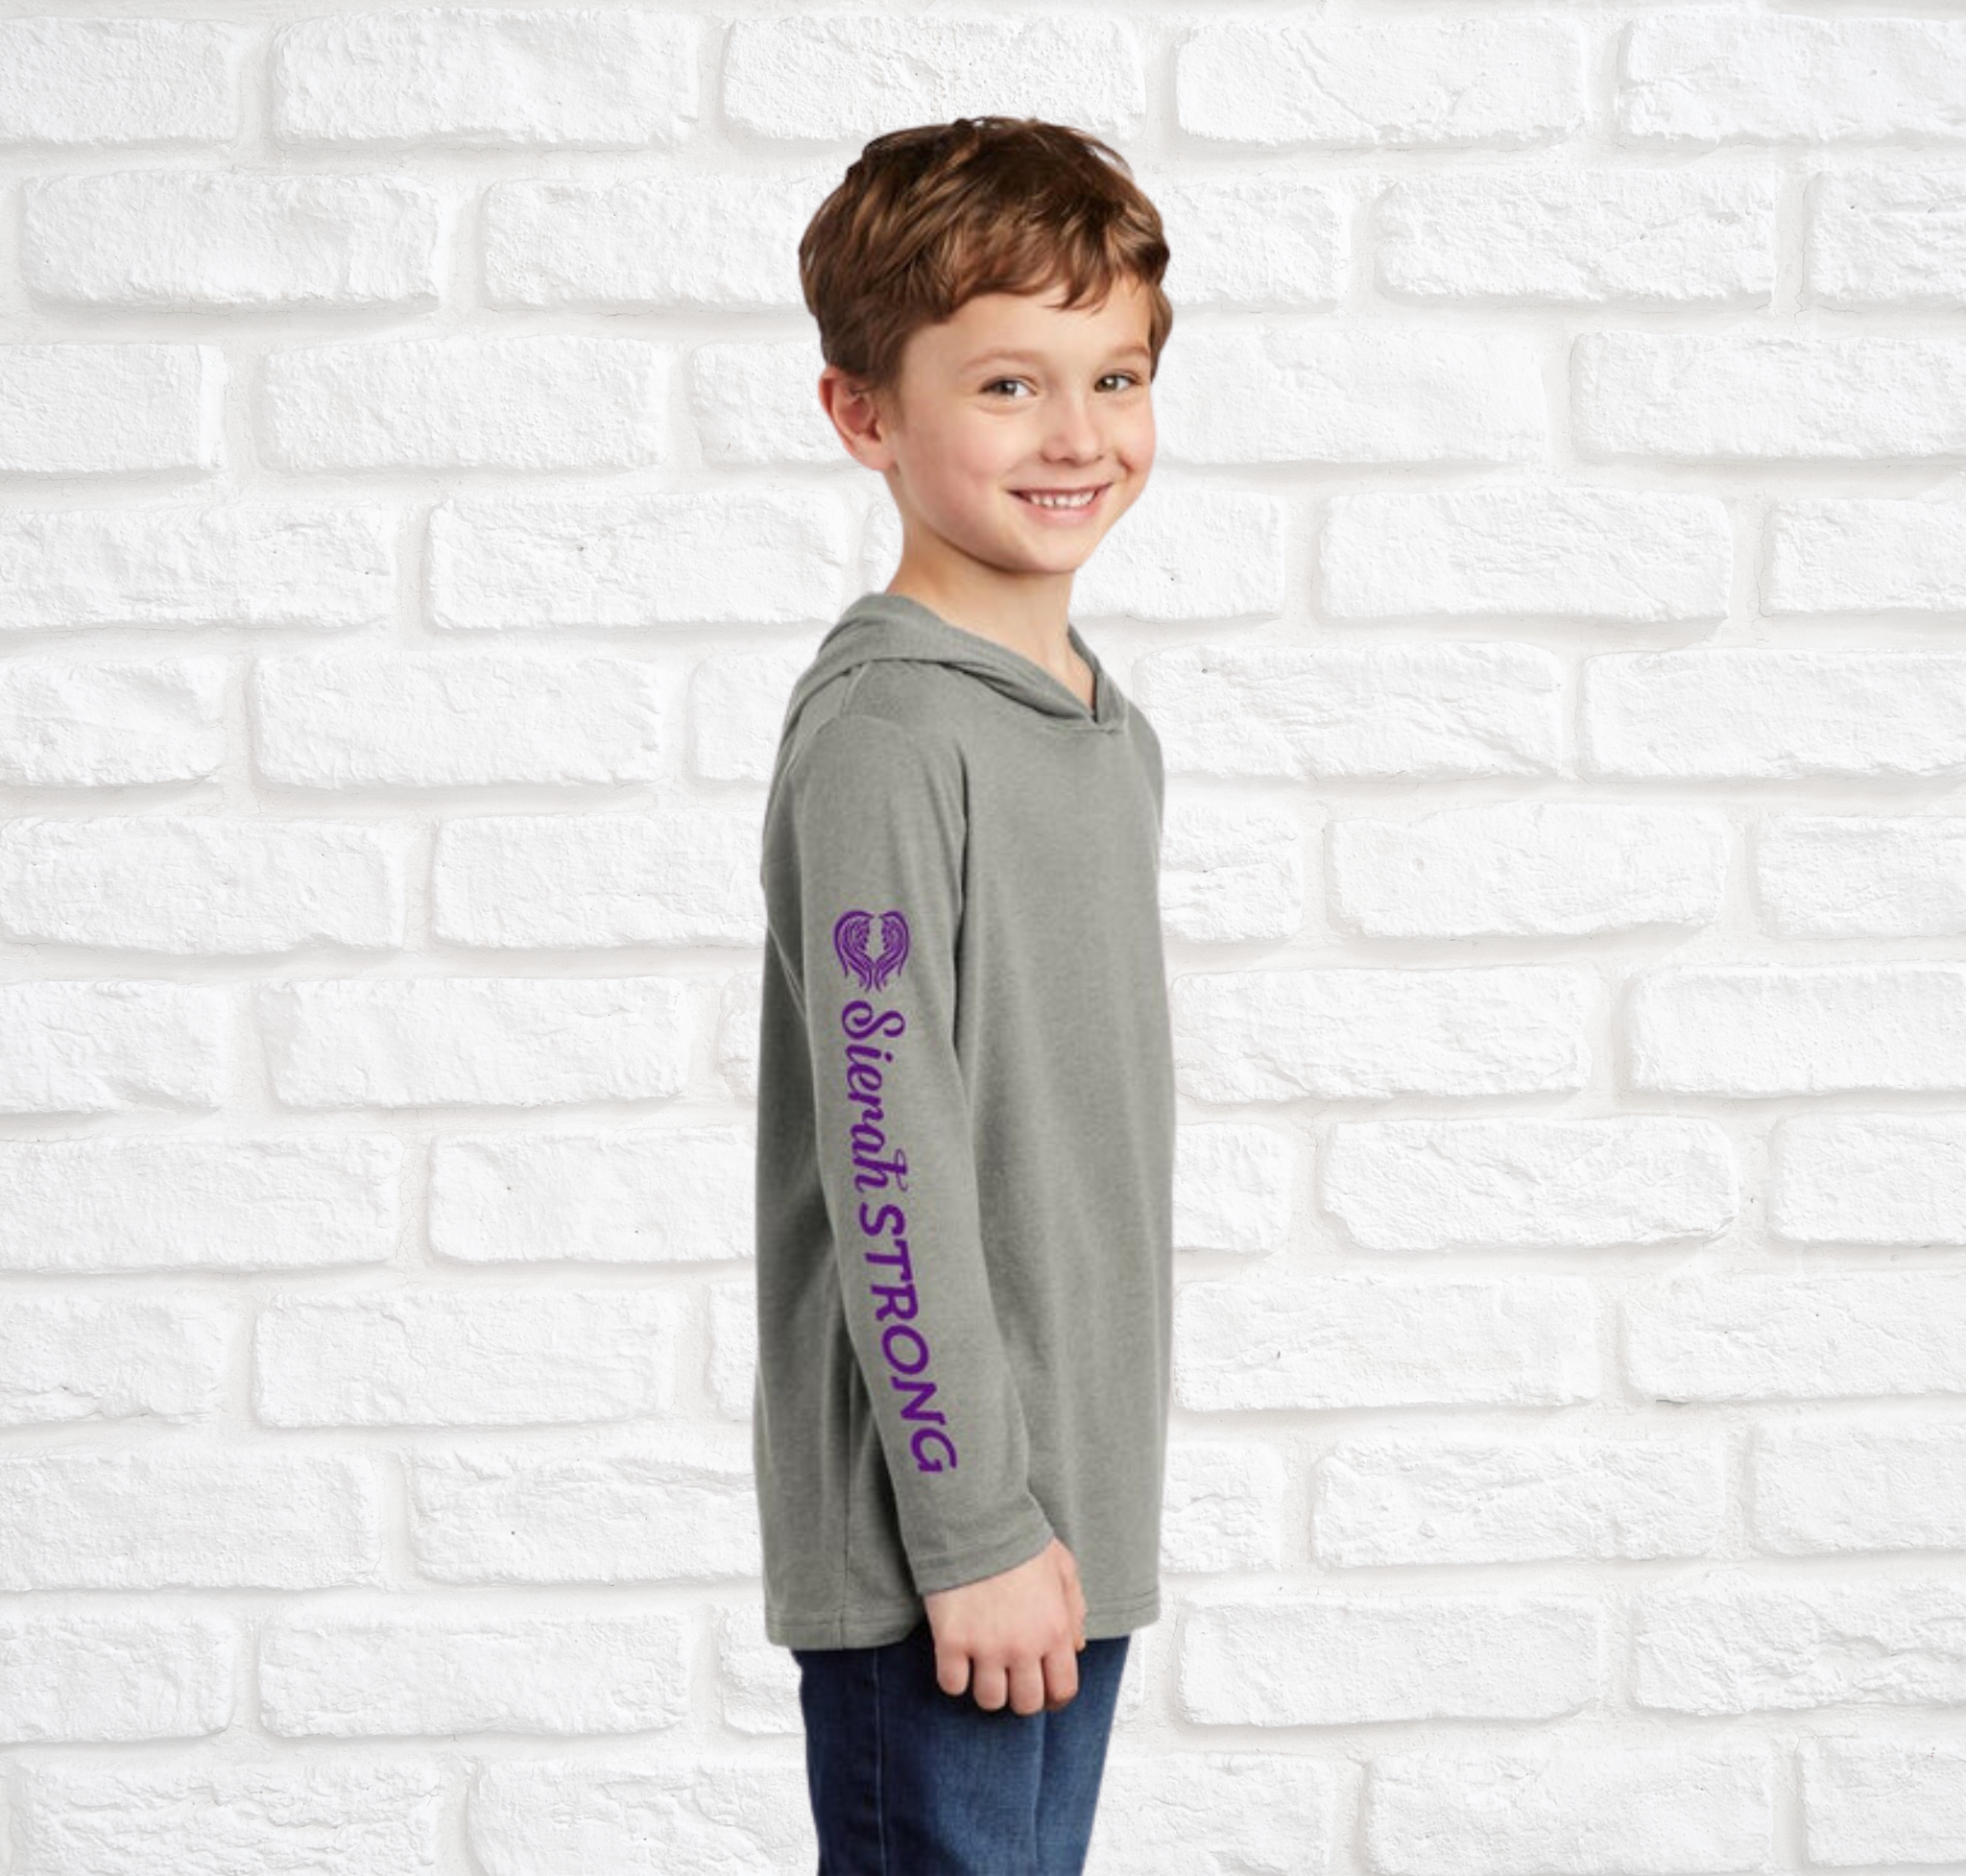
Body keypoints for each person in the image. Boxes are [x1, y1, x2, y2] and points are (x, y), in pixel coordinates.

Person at [752, 114, 1177, 1874]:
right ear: (864, 413)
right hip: (943, 1542)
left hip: (1073, 1510)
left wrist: (1050, 1511)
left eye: (1116, 376)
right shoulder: (890, 736)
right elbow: (890, 1152)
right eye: (1008, 385)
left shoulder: (1100, 724)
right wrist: (973, 1520)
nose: (1078, 435)